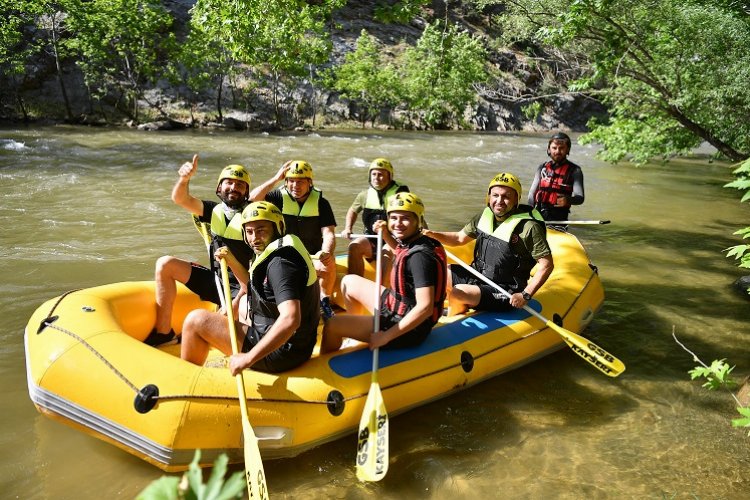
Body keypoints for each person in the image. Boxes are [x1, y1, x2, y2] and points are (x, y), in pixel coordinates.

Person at [180, 201, 320, 373]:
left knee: (196, 320)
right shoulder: (279, 252)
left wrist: (248, 357)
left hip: (282, 353)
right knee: (243, 302)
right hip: (298, 345)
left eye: (261, 230)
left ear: (279, 227)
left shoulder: (280, 265)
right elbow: (251, 286)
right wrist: (231, 260)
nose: (254, 238)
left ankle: (188, 380)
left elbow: (291, 319)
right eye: (249, 232)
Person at [321, 192, 447, 353]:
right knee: (349, 281)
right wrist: (386, 235)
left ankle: (329, 361)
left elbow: (425, 308)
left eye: (405, 218)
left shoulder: (420, 258)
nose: (398, 223)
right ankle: (357, 333)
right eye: (393, 218)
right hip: (397, 305)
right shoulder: (418, 241)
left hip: (407, 326)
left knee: (333, 325)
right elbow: (402, 252)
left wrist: (386, 336)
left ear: (418, 221)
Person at [147, 156, 253, 346]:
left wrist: (235, 303)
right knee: (165, 264)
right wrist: (185, 179)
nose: (234, 188)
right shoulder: (213, 211)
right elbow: (180, 199)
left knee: (245, 315)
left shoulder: (254, 218)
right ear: (219, 188)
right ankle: (164, 333)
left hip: (246, 287)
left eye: (240, 185)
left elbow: (257, 271)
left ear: (246, 192)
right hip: (218, 282)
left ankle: (247, 350)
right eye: (229, 183)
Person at [423, 172, 553, 316]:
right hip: (479, 277)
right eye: (495, 195)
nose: (499, 201)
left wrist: (525, 294)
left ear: (516, 199)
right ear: (489, 197)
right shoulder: (484, 216)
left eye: (506, 196)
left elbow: (546, 265)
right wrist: (433, 234)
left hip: (505, 290)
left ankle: (454, 316)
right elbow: (459, 239)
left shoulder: (529, 227)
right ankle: (443, 308)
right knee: (438, 272)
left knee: (458, 292)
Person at [248, 160, 337, 319]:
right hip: (284, 256)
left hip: (312, 256)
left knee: (328, 265)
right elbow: (252, 200)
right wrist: (276, 178)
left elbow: (329, 233)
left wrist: (326, 252)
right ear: (286, 182)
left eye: (301, 181)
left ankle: (324, 300)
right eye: (291, 181)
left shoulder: (321, 203)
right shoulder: (278, 197)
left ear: (310, 183)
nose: (295, 185)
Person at [340, 158, 410, 280]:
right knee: (354, 246)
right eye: (374, 174)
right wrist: (348, 228)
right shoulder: (364, 195)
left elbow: (411, 216)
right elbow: (352, 211)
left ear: (390, 176)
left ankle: (382, 290)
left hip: (393, 240)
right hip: (372, 238)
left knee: (386, 253)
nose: (376, 178)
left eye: (381, 175)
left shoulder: (401, 194)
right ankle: (355, 284)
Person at [527, 132, 585, 224]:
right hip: (538, 215)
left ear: (568, 150)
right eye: (554, 148)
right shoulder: (542, 167)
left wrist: (568, 200)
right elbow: (532, 193)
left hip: (559, 219)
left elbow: (580, 198)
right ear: (549, 149)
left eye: (561, 148)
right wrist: (529, 213)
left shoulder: (575, 171)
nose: (557, 151)